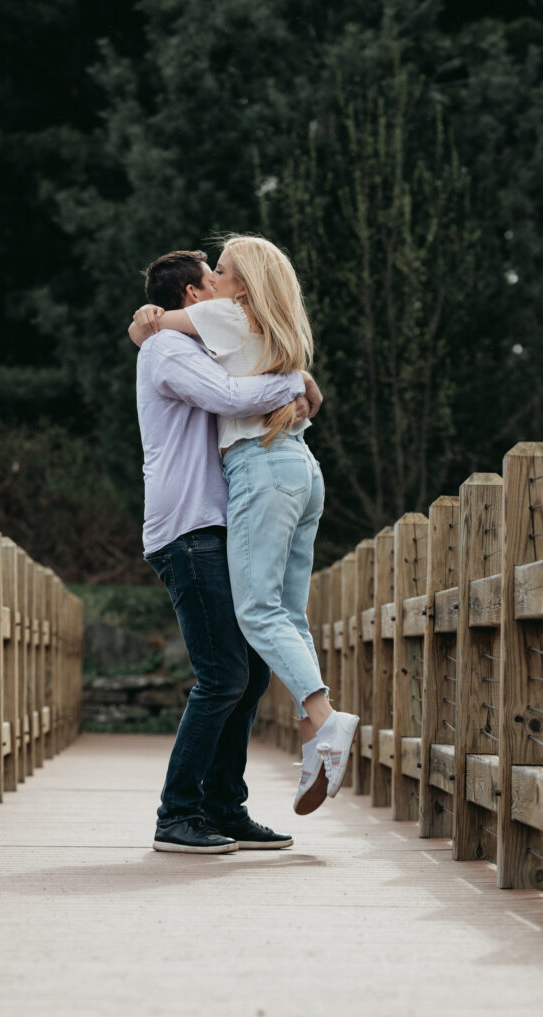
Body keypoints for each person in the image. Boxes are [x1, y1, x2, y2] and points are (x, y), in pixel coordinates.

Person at [131, 235, 359, 820]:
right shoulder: (174, 348)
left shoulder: (218, 328)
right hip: (192, 525)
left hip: (244, 492)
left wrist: (149, 323)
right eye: (214, 274)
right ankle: (181, 812)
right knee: (230, 670)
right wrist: (296, 382)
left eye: (226, 270)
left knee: (250, 660)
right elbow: (225, 396)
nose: (219, 282)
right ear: (193, 291)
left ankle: (237, 795)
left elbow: (230, 390)